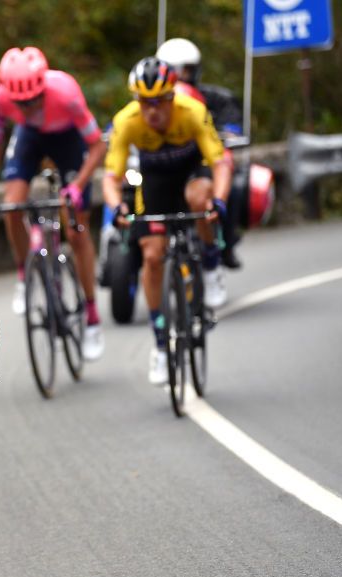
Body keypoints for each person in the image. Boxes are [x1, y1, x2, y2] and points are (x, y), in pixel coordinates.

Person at [102, 57, 231, 385]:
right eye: (145, 103)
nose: (152, 111)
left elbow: (221, 162)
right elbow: (111, 175)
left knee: (199, 199)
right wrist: (117, 206)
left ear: (172, 97)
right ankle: (161, 344)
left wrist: (219, 199)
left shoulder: (192, 112)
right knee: (152, 256)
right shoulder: (126, 121)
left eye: (159, 102)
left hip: (192, 173)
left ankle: (212, 266)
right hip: (156, 184)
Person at [0, 46, 107, 361]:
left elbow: (97, 146)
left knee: (76, 229)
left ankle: (91, 315)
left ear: (43, 88)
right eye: (21, 103)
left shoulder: (66, 93)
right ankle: (25, 273)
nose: (28, 106)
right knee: (12, 205)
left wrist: (77, 185)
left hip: (69, 141)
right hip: (30, 138)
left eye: (34, 100)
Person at [156, 37, 244, 269]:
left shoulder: (214, 100)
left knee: (227, 189)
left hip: (201, 158)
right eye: (180, 70)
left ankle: (224, 243)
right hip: (165, 163)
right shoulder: (151, 102)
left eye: (189, 70)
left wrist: (227, 134)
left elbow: (232, 129)